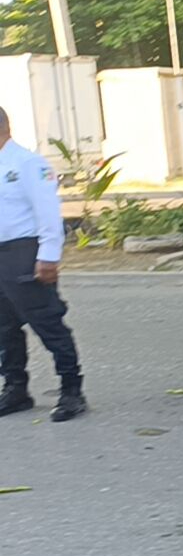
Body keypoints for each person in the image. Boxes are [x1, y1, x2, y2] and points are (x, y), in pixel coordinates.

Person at [0, 106, 86, 422]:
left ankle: (71, 390)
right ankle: (15, 389)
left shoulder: (28, 164)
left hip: (24, 253)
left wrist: (49, 256)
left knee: (47, 322)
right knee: (4, 328)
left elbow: (48, 213)